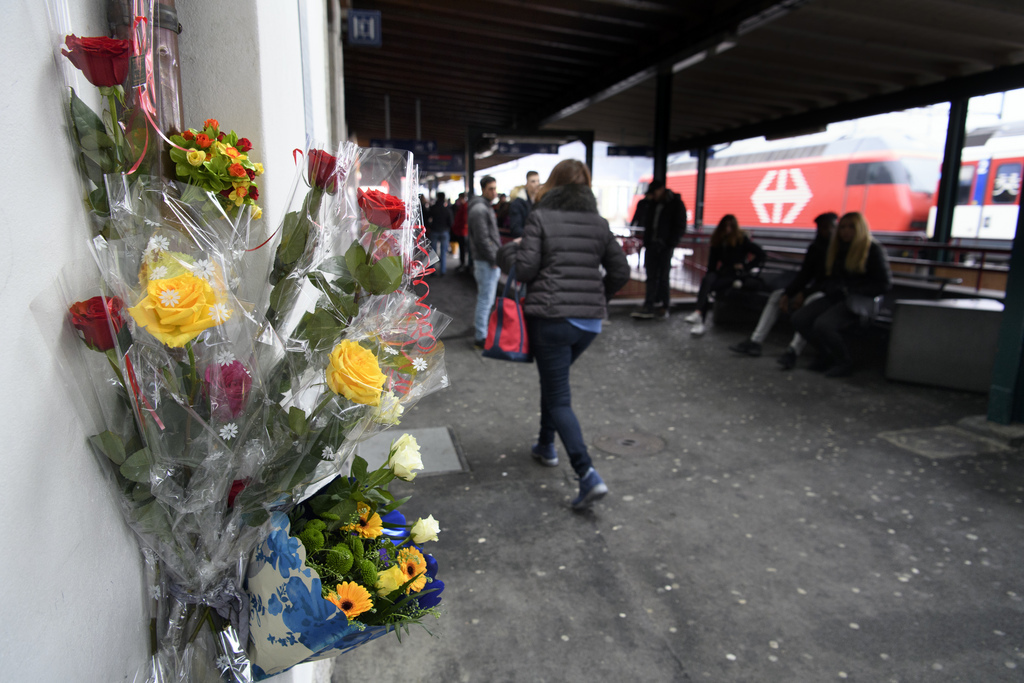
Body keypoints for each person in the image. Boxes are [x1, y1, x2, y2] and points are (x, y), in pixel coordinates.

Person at [497, 159, 630, 511]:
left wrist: (511, 250)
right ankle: (545, 445)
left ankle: (587, 475)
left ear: (553, 184)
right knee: (554, 384)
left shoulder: (540, 217)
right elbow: (621, 270)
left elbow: (524, 269)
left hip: (552, 319)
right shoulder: (599, 224)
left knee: (559, 398)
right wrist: (597, 295)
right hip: (588, 325)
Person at [789, 211, 893, 377]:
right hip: (838, 297)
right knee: (799, 319)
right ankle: (826, 354)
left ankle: (843, 361)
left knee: (823, 325)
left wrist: (854, 289)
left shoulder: (872, 250)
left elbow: (884, 284)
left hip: (859, 301)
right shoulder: (838, 250)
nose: (845, 231)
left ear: (860, 229)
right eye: (843, 227)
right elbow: (828, 278)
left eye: (851, 227)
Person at [728, 212, 838, 367]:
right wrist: (788, 293)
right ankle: (755, 341)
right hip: (811, 289)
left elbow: (830, 282)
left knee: (810, 305)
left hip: (828, 294)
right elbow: (805, 275)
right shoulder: (816, 248)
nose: (825, 231)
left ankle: (793, 350)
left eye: (829, 227)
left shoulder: (840, 251)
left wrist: (804, 293)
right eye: (822, 228)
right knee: (777, 296)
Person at [684, 214, 766, 337]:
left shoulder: (741, 240)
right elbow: (712, 264)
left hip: (735, 275)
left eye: (730, 226)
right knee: (707, 281)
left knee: (707, 286)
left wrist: (746, 266)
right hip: (722, 273)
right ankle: (698, 313)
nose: (728, 229)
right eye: (726, 226)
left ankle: (698, 315)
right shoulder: (718, 241)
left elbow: (760, 254)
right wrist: (710, 276)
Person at [630, 179, 687, 320]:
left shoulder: (676, 204)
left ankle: (664, 305)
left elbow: (680, 226)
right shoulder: (651, 204)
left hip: (665, 247)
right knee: (651, 277)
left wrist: (669, 243)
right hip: (651, 246)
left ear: (661, 190)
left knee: (663, 277)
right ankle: (649, 304)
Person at [468, 175, 501, 348]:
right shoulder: (480, 209)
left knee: (486, 299)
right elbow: (482, 239)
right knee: (485, 300)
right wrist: (494, 258)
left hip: (485, 261)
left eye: (495, 188)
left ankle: (482, 332)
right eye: (491, 189)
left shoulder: (482, 207)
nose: (494, 192)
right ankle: (481, 336)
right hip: (486, 262)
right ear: (483, 189)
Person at [426, 192, 453, 276]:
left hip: (434, 230)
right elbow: (451, 222)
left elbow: (427, 219)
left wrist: (431, 225)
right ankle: (443, 271)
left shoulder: (433, 208)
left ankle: (432, 271)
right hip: (444, 231)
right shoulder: (447, 209)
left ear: (437, 197)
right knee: (443, 252)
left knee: (432, 252)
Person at [507, 170, 540, 239]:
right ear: (527, 184)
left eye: (538, 181)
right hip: (526, 241)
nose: (537, 184)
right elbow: (516, 229)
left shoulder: (538, 201)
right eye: (533, 181)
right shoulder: (518, 204)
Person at [451, 192, 470, 272]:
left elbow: (464, 220)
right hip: (461, 231)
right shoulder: (463, 206)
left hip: (463, 231)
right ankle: (463, 264)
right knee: (462, 249)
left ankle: (463, 264)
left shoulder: (464, 207)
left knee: (463, 249)